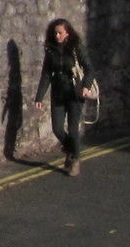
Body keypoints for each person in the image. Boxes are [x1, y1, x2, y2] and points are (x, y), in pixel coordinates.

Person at [32, 18, 97, 176]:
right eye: (55, 33)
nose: (57, 36)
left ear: (67, 33)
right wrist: (39, 97)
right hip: (58, 94)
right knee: (57, 128)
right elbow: (46, 75)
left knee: (73, 130)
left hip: (75, 94)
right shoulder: (51, 50)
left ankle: (75, 160)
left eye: (60, 33)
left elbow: (89, 69)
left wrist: (86, 87)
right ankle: (71, 149)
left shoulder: (76, 48)